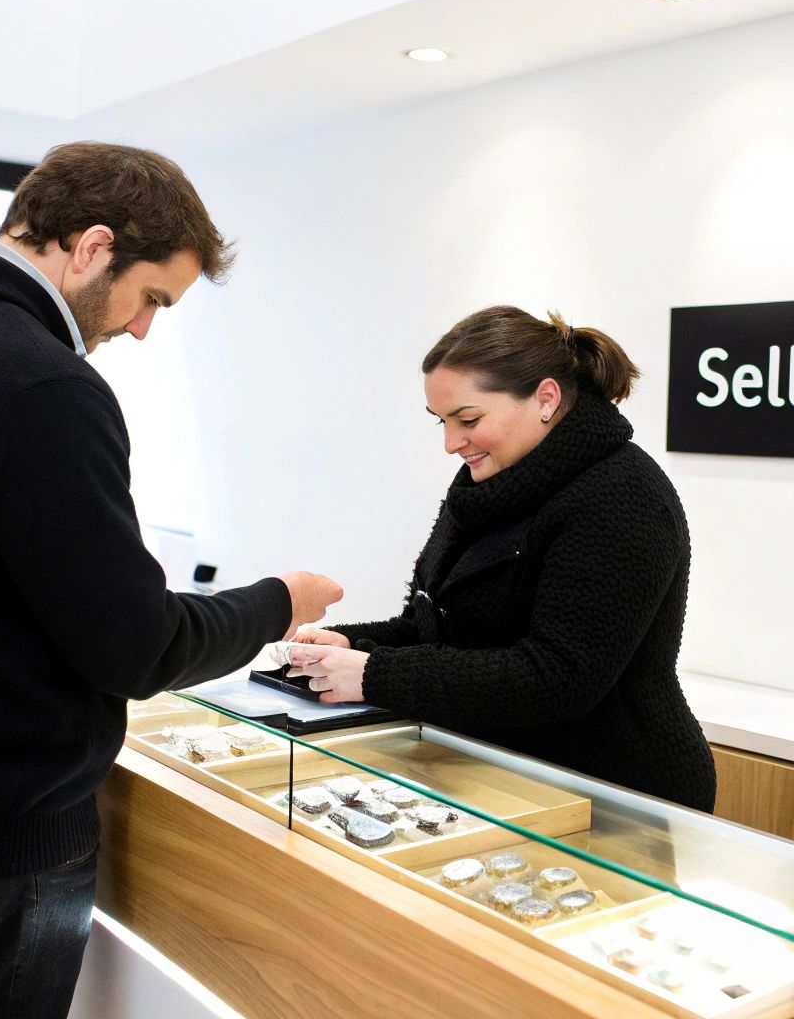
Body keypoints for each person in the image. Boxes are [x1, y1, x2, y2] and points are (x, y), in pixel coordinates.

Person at [0, 141, 342, 1018]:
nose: (140, 329)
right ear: (93, 246)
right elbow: (136, 646)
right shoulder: (42, 383)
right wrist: (281, 601)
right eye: (151, 299)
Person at [286, 305, 716, 811]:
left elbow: (558, 678)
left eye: (467, 419)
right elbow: (436, 628)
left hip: (612, 793)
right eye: (441, 422)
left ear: (546, 399)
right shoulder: (486, 484)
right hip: (500, 774)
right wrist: (352, 644)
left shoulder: (624, 497)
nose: (450, 444)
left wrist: (374, 674)